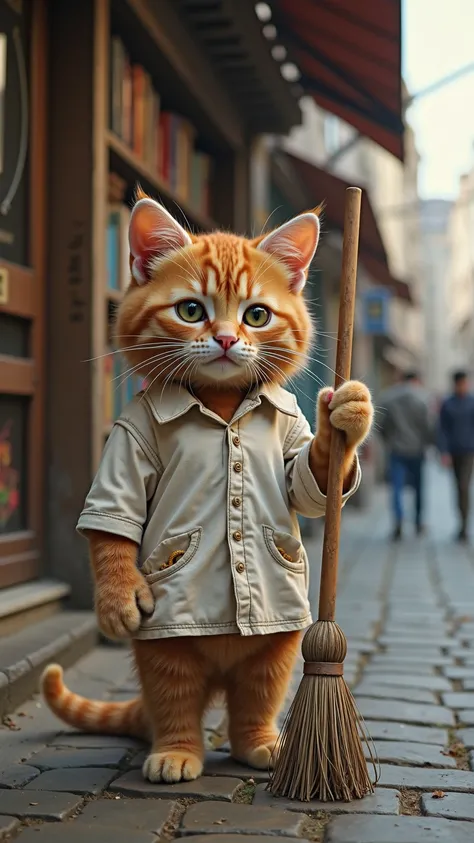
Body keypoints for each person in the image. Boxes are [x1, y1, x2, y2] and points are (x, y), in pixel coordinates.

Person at [379, 371, 432, 540]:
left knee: (397, 487)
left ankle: (398, 521)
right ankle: (417, 522)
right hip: (417, 450)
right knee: (419, 487)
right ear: (416, 380)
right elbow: (429, 425)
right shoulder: (423, 398)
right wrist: (427, 444)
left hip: (396, 449)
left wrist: (389, 440)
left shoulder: (389, 397)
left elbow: (381, 424)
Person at [439, 370, 474, 542]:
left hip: (469, 452)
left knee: (464, 486)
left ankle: (464, 525)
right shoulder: (448, 404)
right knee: (457, 488)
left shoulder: (472, 402)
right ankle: (461, 521)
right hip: (454, 451)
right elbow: (442, 430)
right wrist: (444, 452)